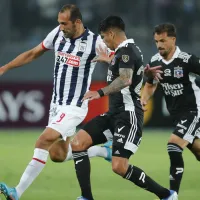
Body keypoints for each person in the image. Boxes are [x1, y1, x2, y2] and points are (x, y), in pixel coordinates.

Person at [0, 4, 112, 200]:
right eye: (59, 23)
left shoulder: (95, 42)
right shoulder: (58, 34)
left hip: (75, 106)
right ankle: (103, 151)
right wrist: (5, 68)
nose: (61, 27)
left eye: (64, 24)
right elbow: (34, 52)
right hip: (56, 104)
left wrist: (110, 61)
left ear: (77, 22)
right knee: (58, 155)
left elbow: (123, 61)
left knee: (43, 140)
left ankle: (16, 192)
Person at [70, 16, 178, 200]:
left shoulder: (127, 51)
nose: (104, 42)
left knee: (119, 166)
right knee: (78, 143)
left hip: (128, 116)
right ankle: (86, 197)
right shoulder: (124, 52)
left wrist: (100, 93)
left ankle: (166, 195)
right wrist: (110, 60)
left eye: (104, 37)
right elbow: (129, 69)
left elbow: (125, 79)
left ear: (111, 33)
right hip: (113, 114)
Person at [141, 23, 200, 195]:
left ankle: (172, 195)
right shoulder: (155, 62)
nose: (159, 45)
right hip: (177, 116)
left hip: (194, 111)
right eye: (156, 41)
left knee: (174, 145)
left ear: (173, 40)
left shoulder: (187, 60)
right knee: (197, 150)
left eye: (163, 41)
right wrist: (144, 99)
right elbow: (150, 85)